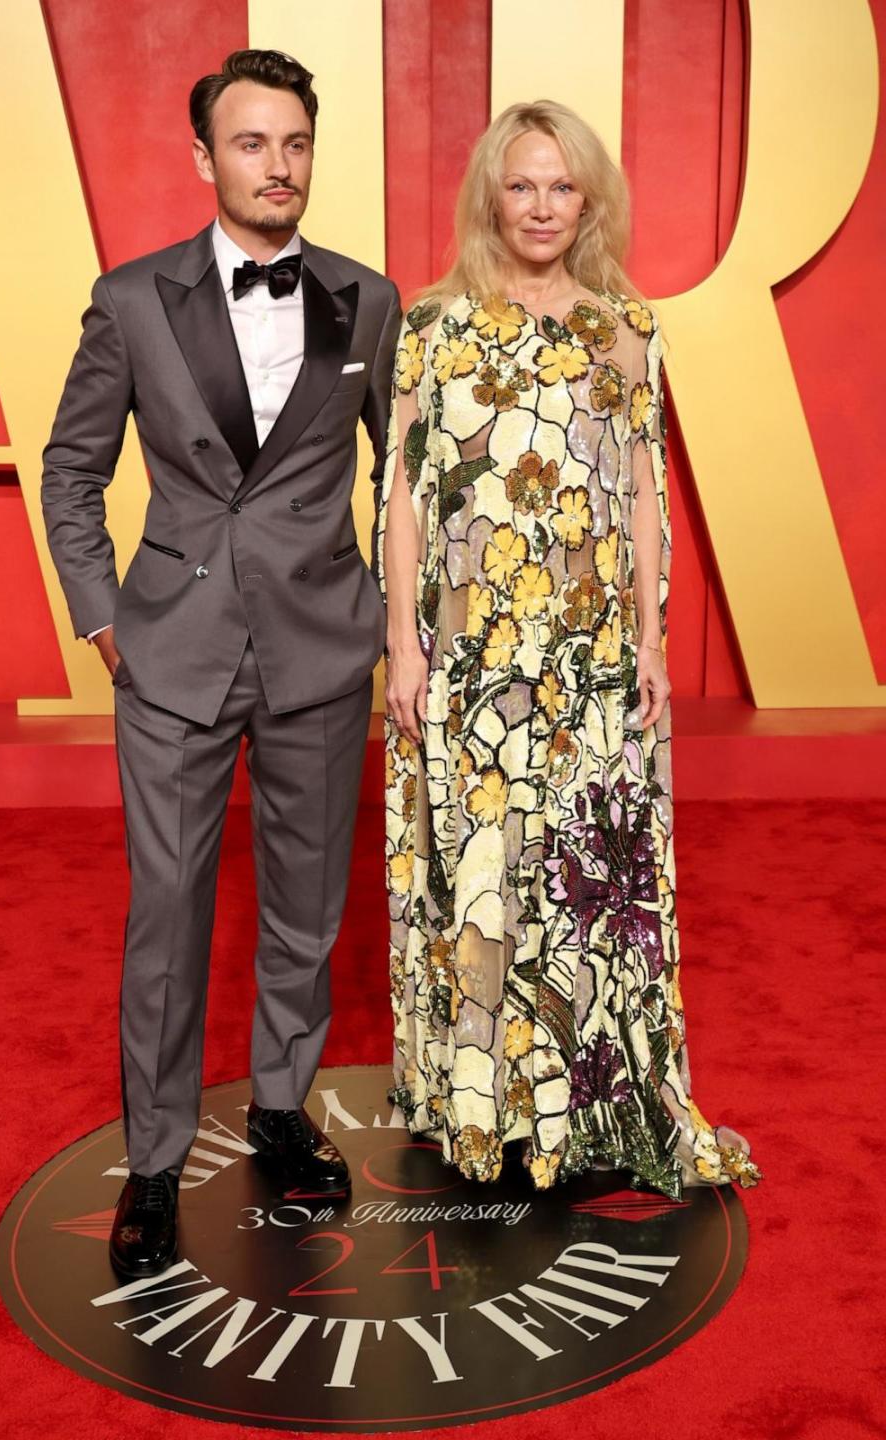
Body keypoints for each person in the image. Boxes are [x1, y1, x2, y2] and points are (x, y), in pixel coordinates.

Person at [42, 48, 400, 1277]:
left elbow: (401, 477)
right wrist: (106, 622)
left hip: (319, 653)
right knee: (168, 915)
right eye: (251, 144)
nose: (277, 165)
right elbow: (71, 471)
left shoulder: (369, 298)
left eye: (294, 143)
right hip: (173, 656)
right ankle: (153, 1164)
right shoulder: (132, 298)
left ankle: (284, 1112)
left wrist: (394, 624)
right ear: (206, 158)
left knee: (305, 909)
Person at [378, 100, 761, 1200]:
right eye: (522, 185)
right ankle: (482, 1110)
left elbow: (642, 493)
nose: (542, 206)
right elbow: (403, 496)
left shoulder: (622, 329)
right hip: (469, 655)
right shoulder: (433, 325)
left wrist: (650, 637)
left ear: (588, 199)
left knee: (578, 878)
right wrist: (402, 646)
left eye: (562, 186)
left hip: (588, 654)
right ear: (489, 197)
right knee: (483, 878)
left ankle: (582, 1110)